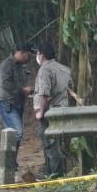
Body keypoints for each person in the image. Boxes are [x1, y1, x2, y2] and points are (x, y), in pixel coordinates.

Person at [32, 42, 76, 178]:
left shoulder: (45, 70)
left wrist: (41, 112)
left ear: (42, 55)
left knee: (50, 145)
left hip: (49, 111)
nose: (37, 56)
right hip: (62, 110)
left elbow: (44, 93)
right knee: (56, 143)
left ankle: (55, 175)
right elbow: (70, 88)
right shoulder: (64, 69)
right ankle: (52, 173)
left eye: (38, 53)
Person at [0, 43, 34, 160]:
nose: (29, 59)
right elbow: (6, 84)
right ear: (22, 53)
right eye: (28, 56)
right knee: (16, 133)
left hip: (17, 103)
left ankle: (11, 163)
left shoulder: (21, 67)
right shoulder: (6, 65)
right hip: (7, 103)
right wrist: (23, 90)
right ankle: (7, 162)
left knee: (15, 134)